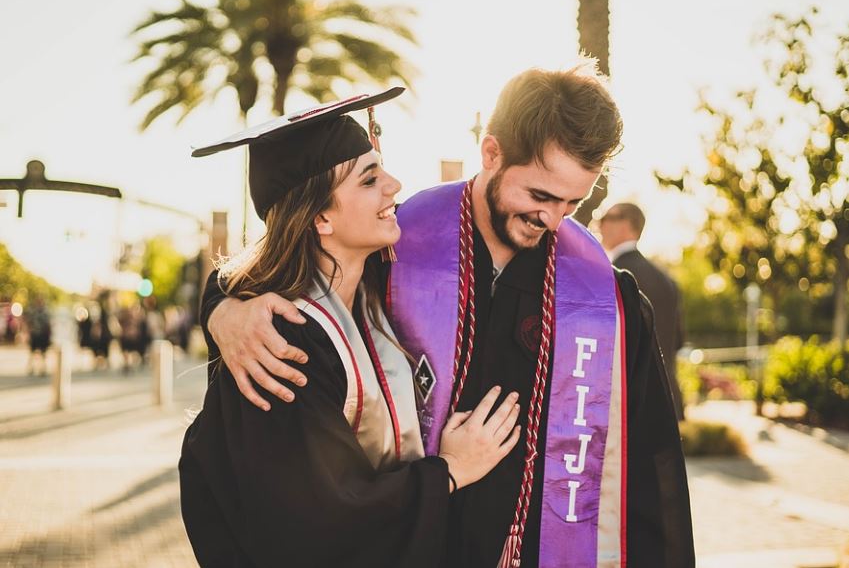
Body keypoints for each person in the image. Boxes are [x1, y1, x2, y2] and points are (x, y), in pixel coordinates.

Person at [204, 65, 695, 567]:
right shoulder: (397, 246)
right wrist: (222, 309)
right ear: (491, 153)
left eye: (573, 202)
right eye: (539, 196)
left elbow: (650, 471)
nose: (552, 219)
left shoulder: (605, 298)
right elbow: (284, 263)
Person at [179, 89, 522, 568]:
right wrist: (449, 472)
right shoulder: (282, 342)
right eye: (369, 180)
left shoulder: (377, 288)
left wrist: (219, 306)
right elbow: (320, 519)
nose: (395, 186)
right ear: (321, 216)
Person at [599, 202, 686, 420]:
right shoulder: (667, 280)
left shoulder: (611, 276)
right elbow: (678, 341)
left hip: (626, 405)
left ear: (626, 225)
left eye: (606, 217)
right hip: (665, 400)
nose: (599, 224)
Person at [23, 297, 51, 376]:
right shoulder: (33, 312)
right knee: (32, 353)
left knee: (43, 353)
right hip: (35, 334)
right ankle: (31, 368)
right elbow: (29, 322)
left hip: (42, 335)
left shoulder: (45, 312)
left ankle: (42, 369)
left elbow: (48, 325)